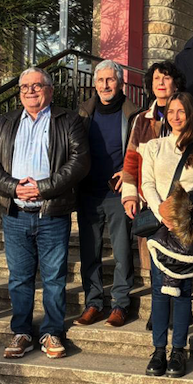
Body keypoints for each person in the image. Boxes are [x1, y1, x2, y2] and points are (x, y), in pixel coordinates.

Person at [0, 67, 89, 360]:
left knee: (54, 278)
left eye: (37, 86)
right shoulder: (6, 122)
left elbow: (80, 161)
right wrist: (13, 187)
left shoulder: (68, 120)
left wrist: (43, 188)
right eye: (24, 87)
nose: (30, 91)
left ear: (49, 90)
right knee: (19, 278)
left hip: (51, 212)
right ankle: (22, 332)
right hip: (15, 213)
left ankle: (52, 332)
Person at [141, 92, 193, 378]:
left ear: (191, 114)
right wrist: (162, 213)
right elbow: (147, 183)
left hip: (187, 227)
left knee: (183, 291)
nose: (175, 116)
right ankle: (159, 349)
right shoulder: (154, 146)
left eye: (181, 111)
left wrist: (180, 213)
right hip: (160, 226)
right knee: (159, 290)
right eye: (171, 111)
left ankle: (178, 351)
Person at [75, 60, 139, 328]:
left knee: (122, 252)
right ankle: (93, 303)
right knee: (90, 252)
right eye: (100, 80)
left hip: (118, 193)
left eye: (110, 80)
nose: (105, 85)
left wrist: (128, 173)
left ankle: (120, 304)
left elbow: (141, 150)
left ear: (120, 83)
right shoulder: (83, 113)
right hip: (88, 192)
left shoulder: (133, 114)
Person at [122, 61, 188, 273]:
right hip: (150, 202)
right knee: (156, 266)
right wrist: (130, 195)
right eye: (156, 78)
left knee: (182, 263)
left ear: (175, 84)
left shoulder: (190, 115)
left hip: (182, 202)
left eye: (166, 78)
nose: (161, 83)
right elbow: (131, 159)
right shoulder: (142, 120)